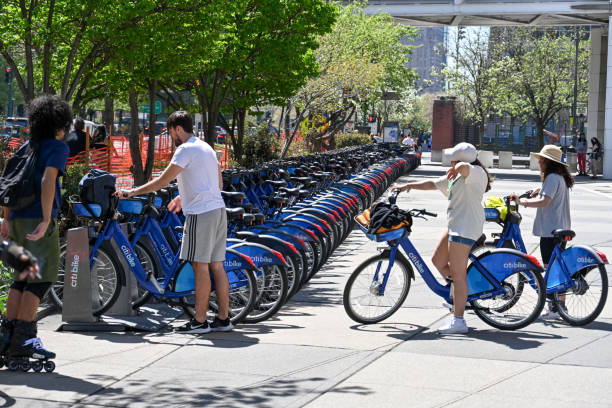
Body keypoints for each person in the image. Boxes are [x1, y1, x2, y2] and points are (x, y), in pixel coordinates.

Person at [115, 111, 231, 334]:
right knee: (216, 265)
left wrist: (132, 192)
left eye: (170, 133)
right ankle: (224, 319)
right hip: (217, 210)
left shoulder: (185, 149)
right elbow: (217, 182)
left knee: (200, 266)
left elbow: (162, 180)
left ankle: (199, 321)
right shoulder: (206, 147)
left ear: (178, 129)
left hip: (200, 214)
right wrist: (182, 196)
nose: (171, 138)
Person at [392, 142, 492, 334]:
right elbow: (433, 184)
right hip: (456, 225)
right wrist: (407, 186)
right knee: (437, 260)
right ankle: (458, 296)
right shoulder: (457, 175)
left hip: (465, 228)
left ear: (460, 159)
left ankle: (459, 320)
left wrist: (457, 168)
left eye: (453, 158)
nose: (451, 162)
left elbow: (465, 167)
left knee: (458, 274)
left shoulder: (476, 173)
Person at [1, 94, 72, 361]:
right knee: (40, 280)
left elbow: (9, 181)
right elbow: (47, 180)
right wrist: (45, 220)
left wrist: (6, 219)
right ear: (58, 124)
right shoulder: (56, 147)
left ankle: (7, 339)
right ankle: (24, 341)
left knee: (22, 278)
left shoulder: (26, 147)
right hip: (36, 222)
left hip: (17, 219)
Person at [510, 144, 573, 320]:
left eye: (541, 159)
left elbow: (545, 201)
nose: (539, 162)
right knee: (557, 268)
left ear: (548, 161)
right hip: (560, 227)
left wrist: (522, 203)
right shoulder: (559, 177)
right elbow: (549, 195)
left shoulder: (552, 177)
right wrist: (539, 190)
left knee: (551, 269)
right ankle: (559, 306)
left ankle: (554, 308)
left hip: (551, 231)